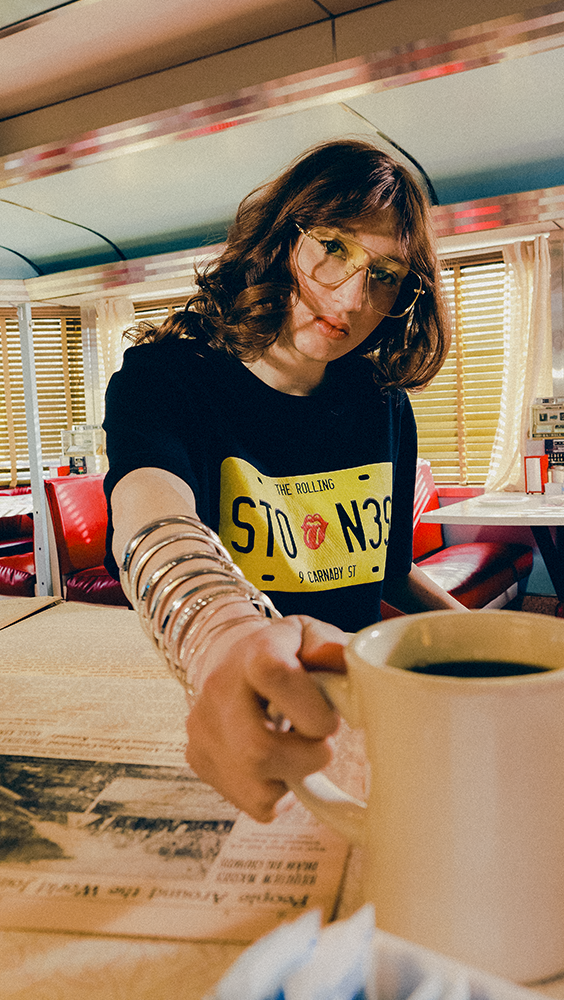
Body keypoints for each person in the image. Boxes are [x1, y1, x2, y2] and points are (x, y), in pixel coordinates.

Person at [103, 138, 465, 822]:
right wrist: (225, 638)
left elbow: (390, 574)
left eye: (386, 276)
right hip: (216, 716)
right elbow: (152, 519)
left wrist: (488, 645)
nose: (354, 297)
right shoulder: (165, 381)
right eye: (334, 248)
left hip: (349, 729)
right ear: (281, 241)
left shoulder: (382, 404)